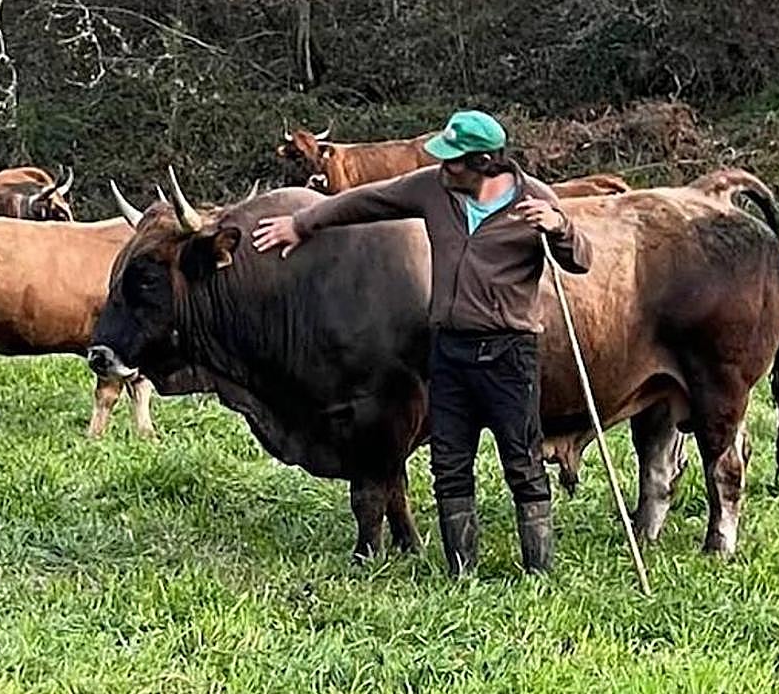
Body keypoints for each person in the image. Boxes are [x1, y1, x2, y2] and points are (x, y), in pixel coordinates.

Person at [252, 110, 591, 576]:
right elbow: (367, 201)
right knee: (449, 463)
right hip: (449, 352)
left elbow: (581, 261)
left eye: (454, 161)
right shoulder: (434, 188)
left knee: (522, 462)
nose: (443, 167)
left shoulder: (534, 199)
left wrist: (559, 227)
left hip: (510, 353)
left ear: (486, 162)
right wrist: (304, 222)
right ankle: (461, 571)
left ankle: (538, 570)